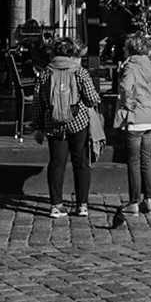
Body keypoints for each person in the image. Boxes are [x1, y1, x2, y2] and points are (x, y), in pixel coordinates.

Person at [31, 36, 100, 219]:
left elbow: (37, 102)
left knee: (56, 163)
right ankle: (82, 205)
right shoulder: (80, 72)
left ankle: (56, 205)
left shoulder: (45, 73)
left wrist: (38, 125)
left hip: (53, 123)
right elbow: (92, 99)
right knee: (81, 162)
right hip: (78, 122)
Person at [114, 33, 151, 220]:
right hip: (149, 117)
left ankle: (134, 202)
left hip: (135, 118)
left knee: (134, 162)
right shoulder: (149, 65)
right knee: (147, 160)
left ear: (131, 49)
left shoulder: (131, 66)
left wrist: (129, 103)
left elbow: (125, 87)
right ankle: (150, 200)